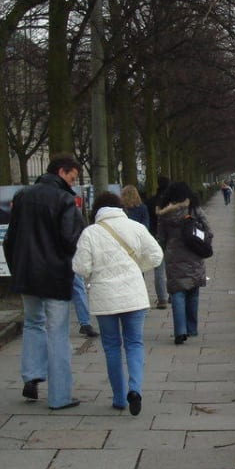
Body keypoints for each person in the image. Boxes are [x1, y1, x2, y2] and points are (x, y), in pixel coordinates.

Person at [3, 154, 85, 410]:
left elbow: (10, 238)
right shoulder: (65, 200)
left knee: (32, 324)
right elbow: (73, 240)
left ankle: (32, 375)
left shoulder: (22, 196)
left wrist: (16, 268)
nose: (74, 182)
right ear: (63, 171)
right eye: (73, 176)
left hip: (26, 273)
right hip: (55, 275)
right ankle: (60, 396)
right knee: (58, 333)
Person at [72, 191, 162, 415]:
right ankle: (136, 389)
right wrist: (136, 268)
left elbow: (80, 268)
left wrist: (97, 273)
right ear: (120, 207)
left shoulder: (90, 233)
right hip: (134, 296)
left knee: (112, 347)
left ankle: (120, 398)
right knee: (134, 344)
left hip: (105, 299)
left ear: (97, 211)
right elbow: (156, 256)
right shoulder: (136, 227)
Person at [156, 181, 211, 344]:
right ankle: (192, 328)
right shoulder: (194, 209)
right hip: (194, 255)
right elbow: (208, 230)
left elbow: (161, 238)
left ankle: (180, 330)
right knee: (193, 291)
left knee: (177, 292)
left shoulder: (164, 215)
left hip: (173, 257)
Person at [147, 175, 170, 310]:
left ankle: (162, 299)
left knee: (159, 269)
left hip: (156, 237)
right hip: (172, 238)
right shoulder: (173, 202)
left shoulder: (151, 202)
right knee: (173, 268)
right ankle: (175, 294)